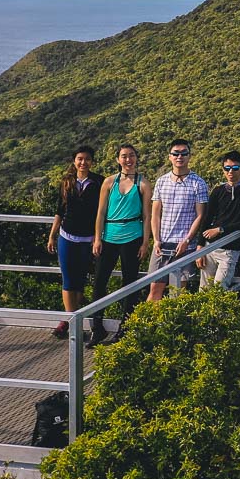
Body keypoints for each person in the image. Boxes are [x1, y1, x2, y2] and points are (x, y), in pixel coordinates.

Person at [90, 144, 152, 344]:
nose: (128, 160)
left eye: (132, 156)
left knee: (130, 283)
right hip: (109, 236)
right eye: (124, 156)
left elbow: (146, 215)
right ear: (118, 159)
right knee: (100, 281)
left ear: (136, 158)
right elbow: (100, 212)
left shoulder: (143, 184)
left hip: (132, 236)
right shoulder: (109, 182)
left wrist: (145, 242)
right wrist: (97, 238)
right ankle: (97, 327)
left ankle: (125, 326)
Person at [46, 146, 102, 340]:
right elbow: (60, 210)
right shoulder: (67, 182)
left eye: (87, 159)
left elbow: (100, 213)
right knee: (68, 280)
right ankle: (70, 322)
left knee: (80, 282)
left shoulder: (98, 182)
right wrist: (52, 235)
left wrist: (98, 236)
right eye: (79, 159)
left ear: (92, 161)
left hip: (88, 240)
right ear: (74, 161)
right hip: (67, 237)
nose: (83, 162)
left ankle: (69, 321)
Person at [147, 139, 208, 301]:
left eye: (183, 153)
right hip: (162, 245)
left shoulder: (198, 183)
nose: (179, 156)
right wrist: (156, 240)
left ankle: (173, 326)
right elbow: (156, 214)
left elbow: (200, 215)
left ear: (189, 156)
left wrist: (187, 240)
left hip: (185, 247)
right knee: (154, 290)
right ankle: (148, 326)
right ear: (170, 157)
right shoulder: (161, 181)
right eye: (176, 153)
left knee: (177, 294)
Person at [200, 151, 240, 291]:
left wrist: (220, 229)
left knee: (220, 288)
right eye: (227, 168)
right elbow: (207, 218)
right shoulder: (218, 191)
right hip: (210, 248)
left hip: (230, 250)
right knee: (204, 289)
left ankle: (219, 314)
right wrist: (200, 247)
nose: (230, 171)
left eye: (235, 168)